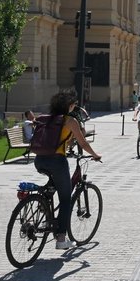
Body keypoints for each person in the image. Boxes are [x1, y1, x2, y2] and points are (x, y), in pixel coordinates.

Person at [34, 90, 101, 250]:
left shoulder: (46, 118)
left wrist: (69, 143)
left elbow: (60, 140)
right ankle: (61, 239)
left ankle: (45, 211)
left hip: (40, 160)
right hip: (57, 161)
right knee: (65, 198)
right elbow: (83, 144)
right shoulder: (70, 121)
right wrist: (95, 154)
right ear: (69, 106)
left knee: (51, 187)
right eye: (73, 105)